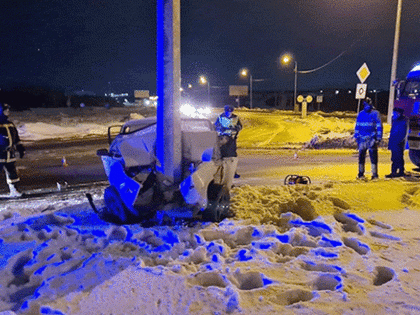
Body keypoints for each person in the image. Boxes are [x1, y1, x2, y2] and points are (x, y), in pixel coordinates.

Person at [354, 98, 383, 179]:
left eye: (368, 105)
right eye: (366, 105)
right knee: (361, 157)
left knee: (373, 157)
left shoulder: (375, 114)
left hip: (371, 138)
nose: (367, 107)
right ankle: (360, 173)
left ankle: (374, 174)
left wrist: (378, 138)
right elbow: (357, 126)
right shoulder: (361, 114)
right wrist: (356, 136)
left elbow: (379, 126)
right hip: (362, 139)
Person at [0, 103, 25, 196]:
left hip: (9, 153)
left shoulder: (10, 124)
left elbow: (16, 138)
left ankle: (14, 190)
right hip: (0, 153)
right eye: (5, 110)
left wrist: (20, 148)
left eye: (8, 110)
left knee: (12, 172)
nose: (8, 112)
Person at [215, 105, 242, 178]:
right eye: (227, 111)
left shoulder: (235, 117)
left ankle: (233, 171)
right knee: (222, 155)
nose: (228, 113)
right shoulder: (221, 117)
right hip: (223, 139)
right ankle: (222, 171)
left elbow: (240, 126)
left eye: (230, 111)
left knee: (232, 156)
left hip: (232, 139)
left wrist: (236, 128)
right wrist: (221, 129)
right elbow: (216, 126)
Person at [386, 107, 409, 178]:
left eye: (395, 113)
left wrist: (399, 142)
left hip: (398, 143)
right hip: (394, 142)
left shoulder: (403, 121)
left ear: (399, 113)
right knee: (394, 158)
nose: (393, 114)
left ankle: (400, 171)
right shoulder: (395, 120)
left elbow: (402, 133)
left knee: (398, 157)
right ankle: (394, 172)